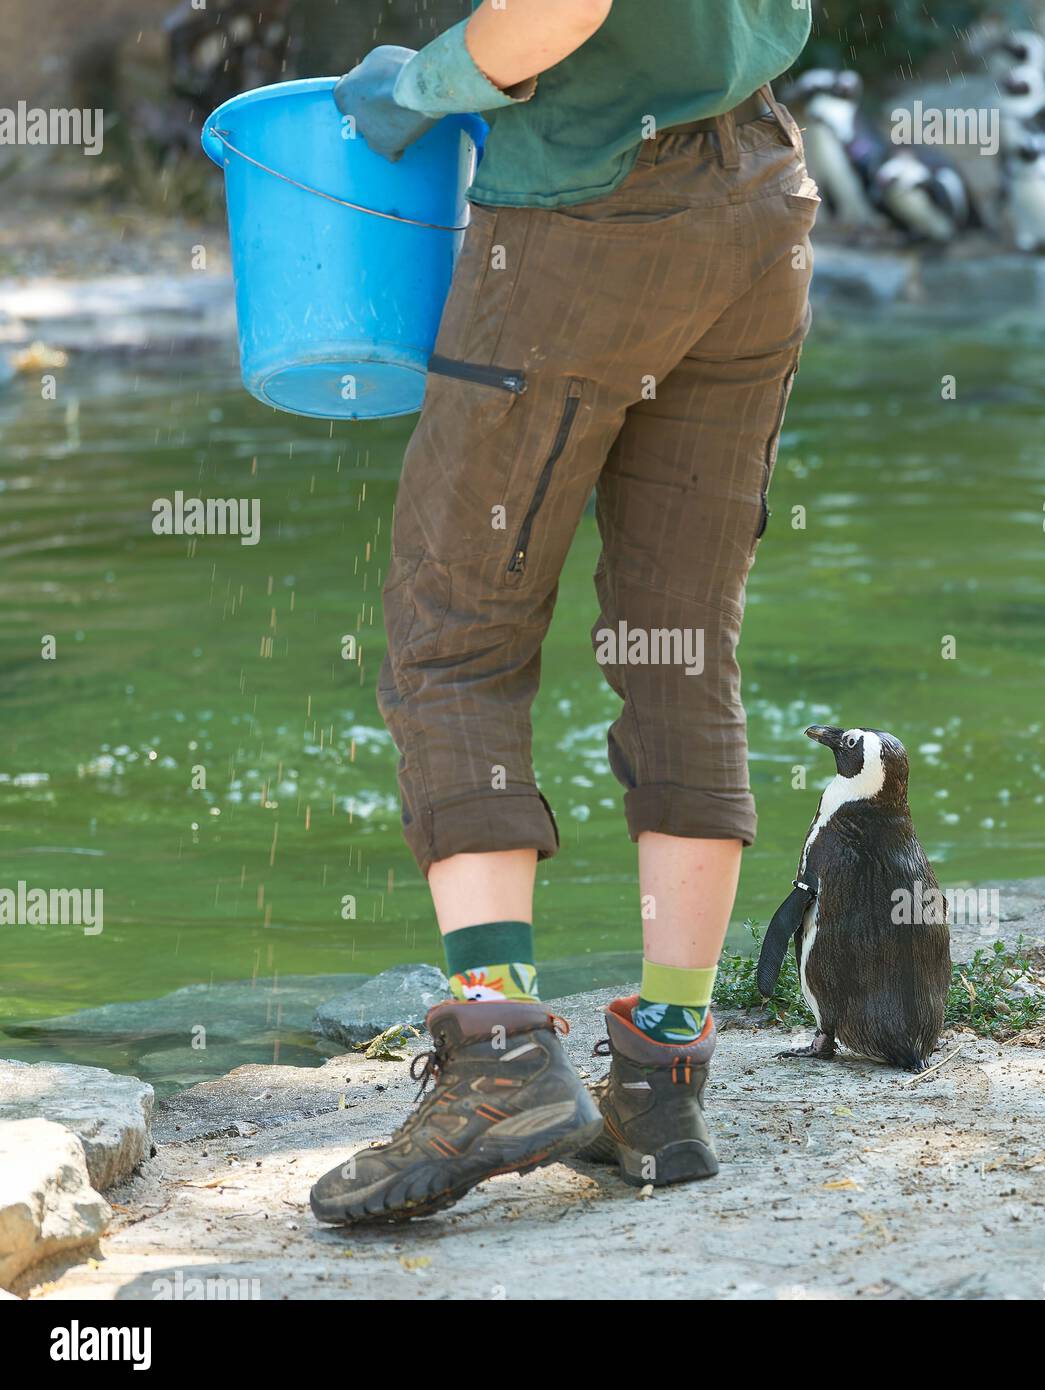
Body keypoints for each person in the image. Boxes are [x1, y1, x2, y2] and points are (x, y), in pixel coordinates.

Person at [310, 0, 817, 1226]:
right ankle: (662, 1075)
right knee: (682, 640)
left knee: (455, 640)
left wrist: (426, 85)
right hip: (757, 199)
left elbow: (552, 11)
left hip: (584, 228)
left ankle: (495, 1056)